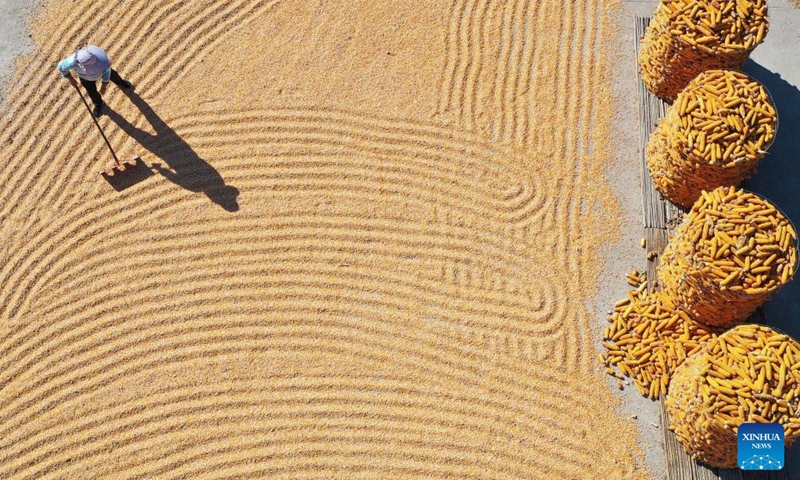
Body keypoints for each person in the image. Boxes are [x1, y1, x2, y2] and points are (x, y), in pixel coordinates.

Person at [57, 45, 132, 117]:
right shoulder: (71, 62)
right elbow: (61, 66)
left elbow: (107, 72)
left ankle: (121, 82)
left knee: (114, 76)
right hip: (86, 78)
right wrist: (70, 78)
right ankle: (98, 103)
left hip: (103, 70)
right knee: (92, 92)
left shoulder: (103, 61)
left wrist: (104, 85)